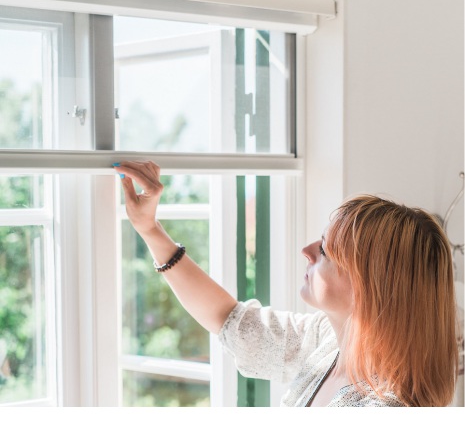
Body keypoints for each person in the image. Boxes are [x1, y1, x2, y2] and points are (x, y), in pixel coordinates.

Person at [113, 160, 459, 407]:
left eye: (325, 251)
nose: (306, 251)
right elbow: (231, 320)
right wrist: (149, 228)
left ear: (368, 288)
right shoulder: (328, 342)